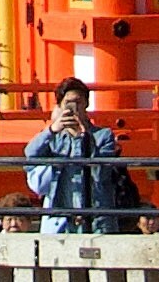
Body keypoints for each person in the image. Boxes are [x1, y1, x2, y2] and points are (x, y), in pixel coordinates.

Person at [23, 82, 101, 236]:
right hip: (57, 220)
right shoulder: (54, 138)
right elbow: (30, 154)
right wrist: (52, 129)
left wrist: (81, 136)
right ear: (60, 106)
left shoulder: (102, 136)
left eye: (79, 102)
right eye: (68, 103)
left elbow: (101, 173)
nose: (75, 107)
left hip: (91, 218)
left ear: (87, 104)